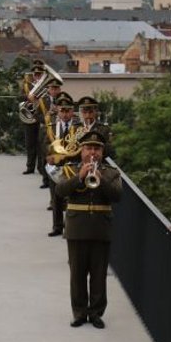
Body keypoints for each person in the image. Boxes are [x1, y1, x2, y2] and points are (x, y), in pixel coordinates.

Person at [53, 131, 122, 328]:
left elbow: (117, 196)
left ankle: (96, 313)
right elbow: (60, 191)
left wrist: (102, 180)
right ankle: (80, 313)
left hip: (101, 228)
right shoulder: (70, 170)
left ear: (102, 151)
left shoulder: (111, 172)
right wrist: (80, 177)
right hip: (77, 227)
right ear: (82, 150)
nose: (93, 152)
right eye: (89, 148)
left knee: (99, 274)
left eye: (97, 148)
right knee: (77, 274)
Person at [44, 95, 81, 238]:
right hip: (56, 167)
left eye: (68, 111)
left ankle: (70, 227)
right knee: (56, 197)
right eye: (62, 111)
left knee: (71, 197)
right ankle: (57, 226)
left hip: (72, 166)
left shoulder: (78, 128)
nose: (65, 114)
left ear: (72, 112)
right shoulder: (52, 127)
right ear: (58, 111)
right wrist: (48, 155)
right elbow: (46, 142)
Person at [20, 60, 46, 175]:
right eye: (36, 74)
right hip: (29, 117)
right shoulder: (27, 86)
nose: (37, 76)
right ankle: (30, 167)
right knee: (30, 143)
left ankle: (41, 168)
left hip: (41, 118)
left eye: (40, 74)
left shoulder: (45, 86)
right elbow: (18, 97)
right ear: (33, 75)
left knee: (40, 144)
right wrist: (28, 97)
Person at [77, 96, 116, 161]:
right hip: (79, 163)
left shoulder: (104, 129)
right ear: (81, 113)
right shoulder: (75, 128)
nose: (88, 115)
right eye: (85, 112)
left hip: (99, 163)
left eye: (90, 112)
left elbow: (110, 151)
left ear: (96, 112)